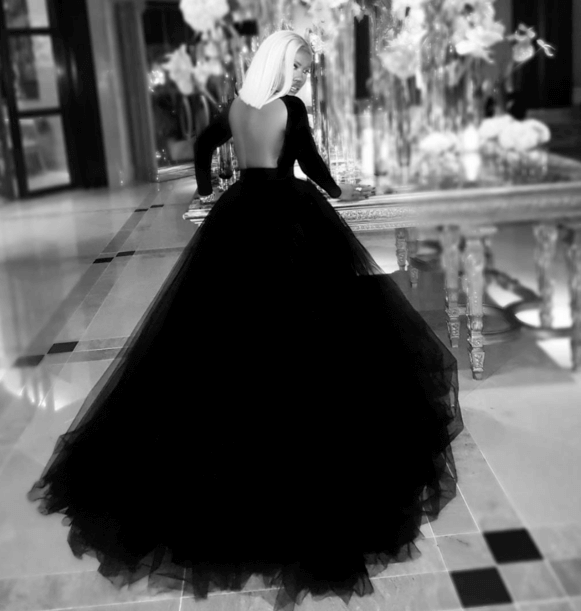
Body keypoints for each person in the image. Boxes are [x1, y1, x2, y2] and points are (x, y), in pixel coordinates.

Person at [28, 30, 463, 611]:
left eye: (308, 68)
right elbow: (309, 162)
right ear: (279, 63)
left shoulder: (236, 106)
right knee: (307, 330)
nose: (305, 76)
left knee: (226, 331)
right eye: (300, 65)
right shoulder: (290, 108)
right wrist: (340, 190)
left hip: (239, 215)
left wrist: (209, 188)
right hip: (287, 216)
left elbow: (205, 145)